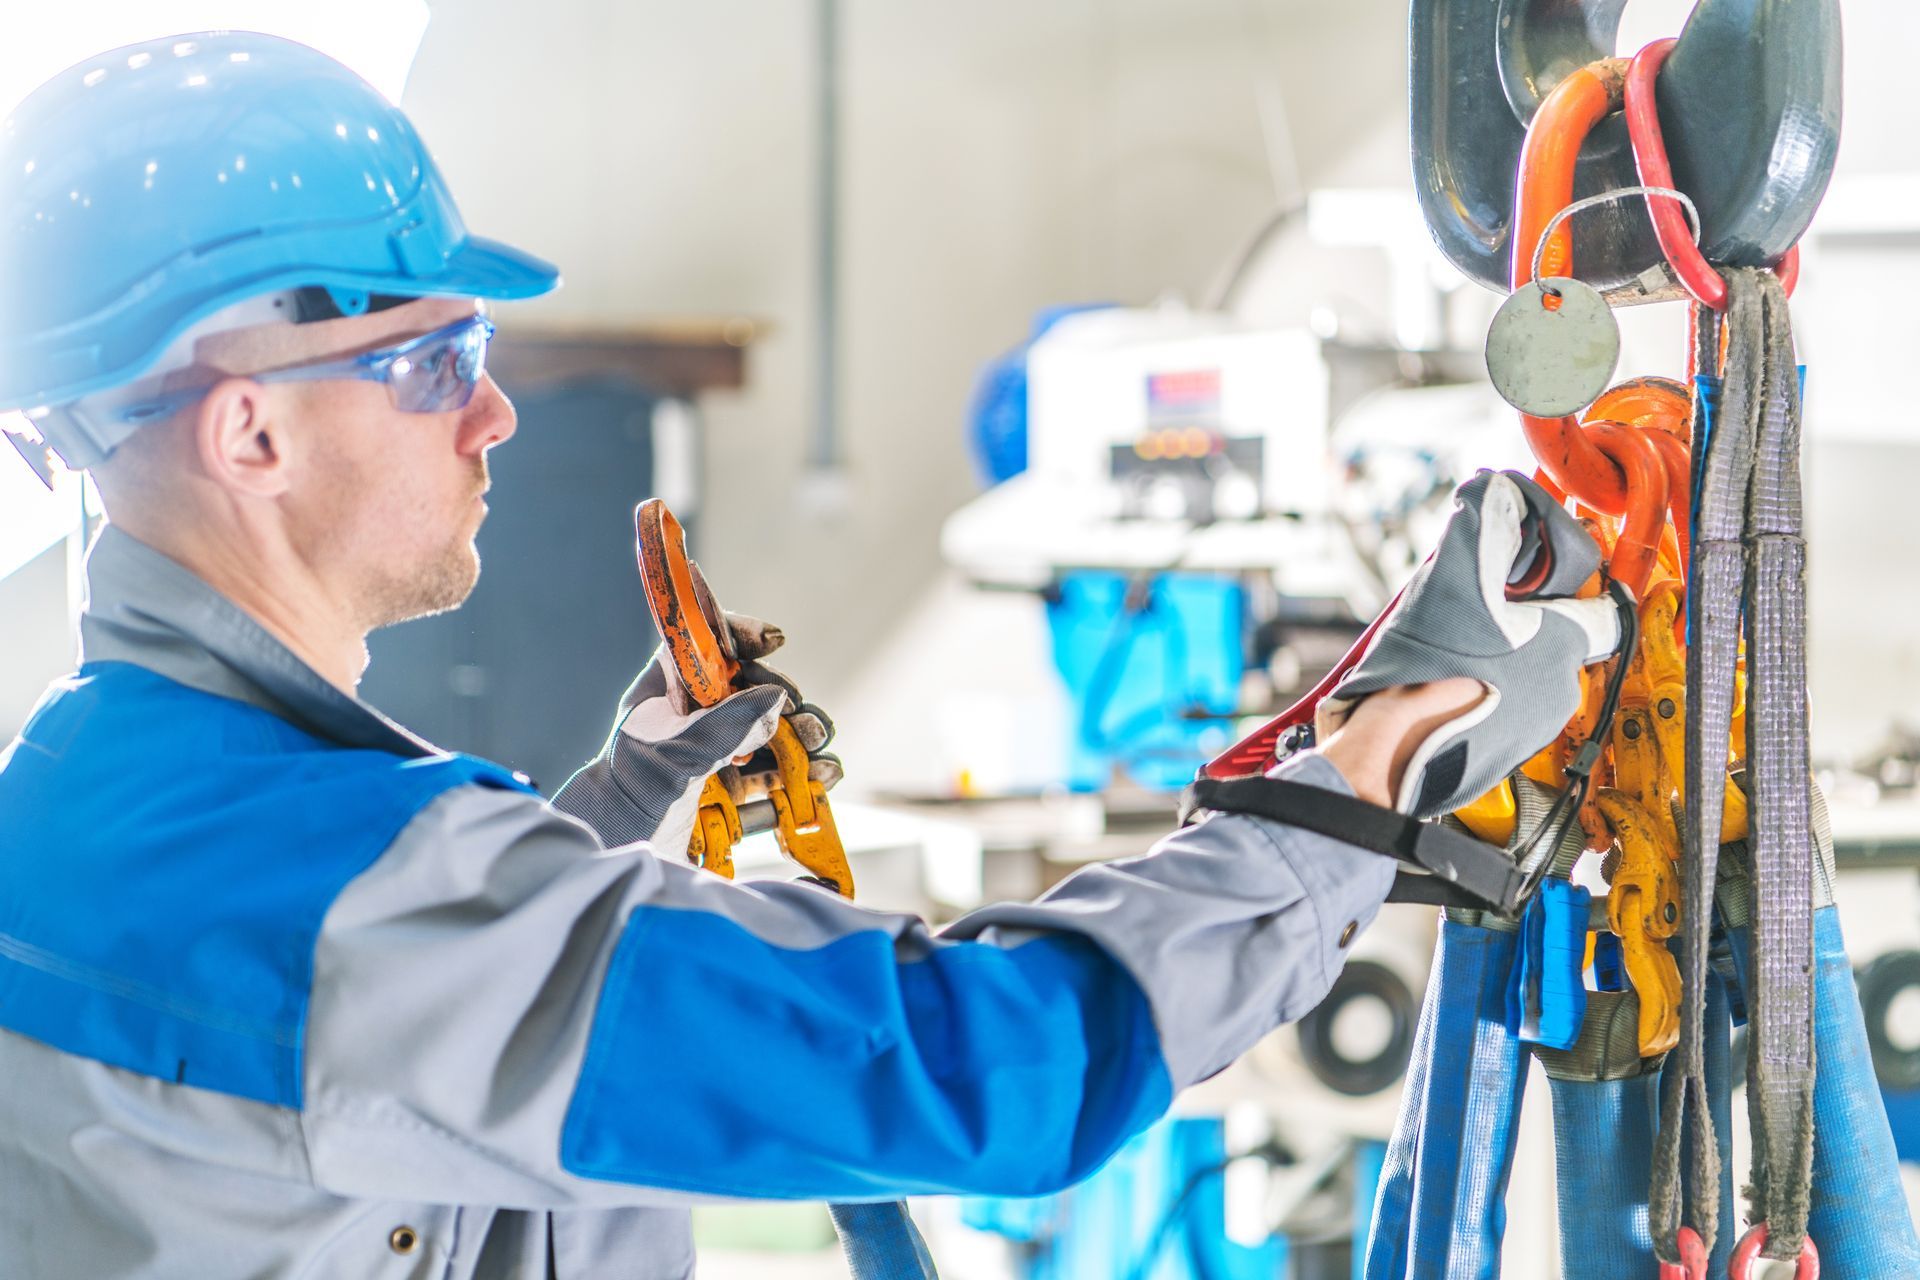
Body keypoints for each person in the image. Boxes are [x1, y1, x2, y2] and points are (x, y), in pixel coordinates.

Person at [0, 32, 1620, 1280]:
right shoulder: (336, 891)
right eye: (434, 359)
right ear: (252, 430)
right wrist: (1358, 782)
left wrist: (621, 802)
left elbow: (370, 1050)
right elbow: (995, 1075)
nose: (493, 414)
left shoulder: (83, 799)